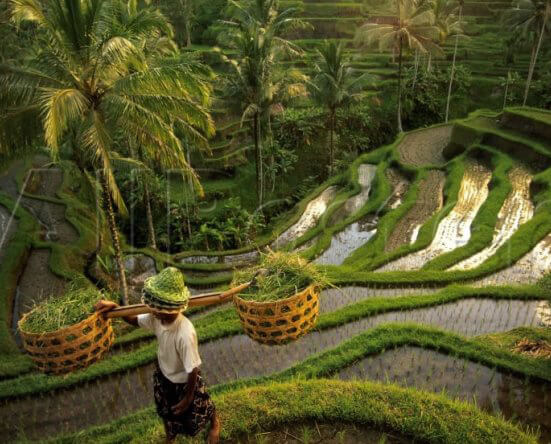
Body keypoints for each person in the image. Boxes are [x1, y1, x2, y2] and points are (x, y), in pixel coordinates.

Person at [95, 267, 220, 444]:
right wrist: (116, 308)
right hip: (164, 373)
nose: (152, 310)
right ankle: (170, 435)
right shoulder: (157, 316)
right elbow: (133, 320)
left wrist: (188, 397)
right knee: (165, 409)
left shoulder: (185, 333)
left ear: (170, 308)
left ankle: (215, 423)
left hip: (185, 380)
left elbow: (193, 368)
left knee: (202, 405)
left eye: (157, 307)